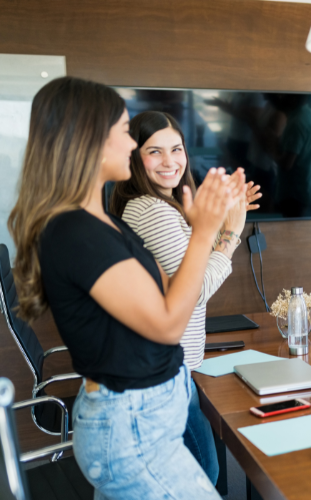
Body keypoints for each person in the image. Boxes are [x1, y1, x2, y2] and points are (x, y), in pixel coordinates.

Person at [8, 76, 244, 499]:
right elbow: (171, 323)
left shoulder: (104, 223)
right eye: (123, 131)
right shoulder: (75, 232)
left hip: (142, 423)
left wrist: (196, 229)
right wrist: (209, 233)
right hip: (132, 431)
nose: (132, 145)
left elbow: (170, 292)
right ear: (88, 140)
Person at [109, 110, 261, 485]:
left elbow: (185, 261)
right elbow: (192, 291)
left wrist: (214, 218)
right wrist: (229, 235)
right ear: (134, 157)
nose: (170, 161)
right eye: (154, 151)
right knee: (202, 474)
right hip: (169, 371)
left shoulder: (160, 207)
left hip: (176, 366)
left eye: (176, 149)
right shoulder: (152, 211)